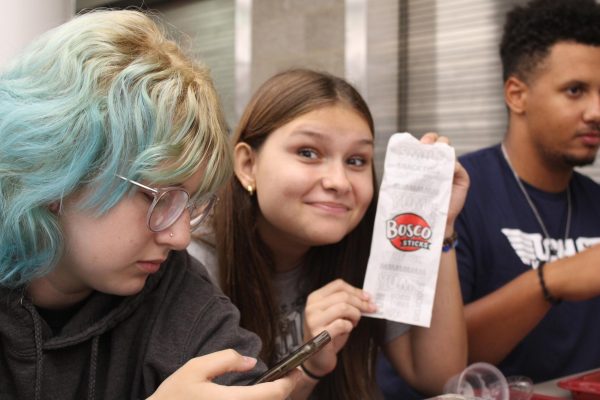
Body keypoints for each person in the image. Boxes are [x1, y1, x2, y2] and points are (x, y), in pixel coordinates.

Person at [0, 10, 299, 400]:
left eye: (190, 203)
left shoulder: (173, 287)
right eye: (156, 197)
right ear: (57, 173)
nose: (179, 236)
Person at [188, 68, 469, 399]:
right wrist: (309, 364)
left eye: (356, 160)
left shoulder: (369, 249)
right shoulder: (193, 259)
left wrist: (440, 227)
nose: (339, 181)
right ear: (248, 165)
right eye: (308, 153)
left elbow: (441, 378)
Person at [456, 0, 600, 383]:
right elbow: (433, 359)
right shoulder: (456, 196)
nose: (596, 111)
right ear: (517, 95)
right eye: (575, 90)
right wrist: (552, 280)